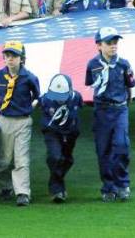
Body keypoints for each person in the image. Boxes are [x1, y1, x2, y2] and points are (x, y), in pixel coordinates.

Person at [86, 27, 135, 202]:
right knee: (103, 149)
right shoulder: (92, 65)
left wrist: (125, 104)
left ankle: (122, 183)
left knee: (122, 145)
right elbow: (90, 84)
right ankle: (108, 186)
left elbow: (129, 85)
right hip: (102, 110)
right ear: (99, 45)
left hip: (120, 109)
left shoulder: (124, 64)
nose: (113, 45)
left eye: (115, 42)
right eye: (109, 42)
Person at [0, 41, 40, 206]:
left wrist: (29, 107)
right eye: (7, 55)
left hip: (23, 121)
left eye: (14, 56)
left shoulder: (29, 77)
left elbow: (37, 96)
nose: (10, 59)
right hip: (4, 120)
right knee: (4, 158)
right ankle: (5, 186)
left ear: (22, 58)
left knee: (21, 158)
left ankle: (22, 192)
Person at [39, 74, 83, 203]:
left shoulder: (76, 97)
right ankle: (56, 189)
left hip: (71, 132)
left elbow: (80, 106)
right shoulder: (46, 99)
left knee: (67, 160)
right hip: (52, 131)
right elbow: (37, 103)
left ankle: (56, 182)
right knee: (55, 157)